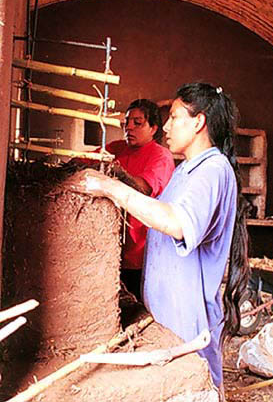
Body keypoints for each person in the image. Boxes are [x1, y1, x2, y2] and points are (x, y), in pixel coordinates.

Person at [73, 82, 249, 395]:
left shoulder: (212, 170)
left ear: (198, 123)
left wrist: (112, 188)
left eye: (175, 117)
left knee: (194, 389)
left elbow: (177, 223)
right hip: (169, 315)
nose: (166, 126)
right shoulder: (188, 170)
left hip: (187, 320)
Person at [78, 99, 175, 301]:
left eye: (137, 123)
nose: (129, 127)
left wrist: (117, 174)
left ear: (153, 128)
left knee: (137, 303)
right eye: (127, 122)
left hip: (141, 250)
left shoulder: (161, 156)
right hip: (111, 247)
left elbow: (144, 188)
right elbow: (80, 160)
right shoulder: (117, 148)